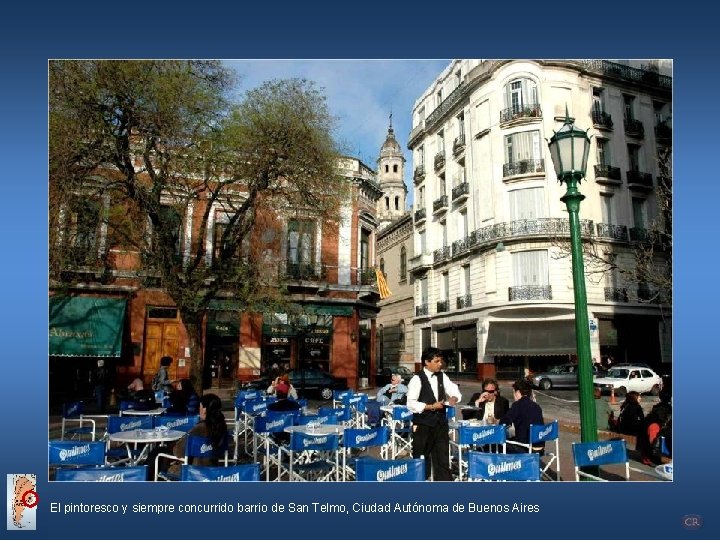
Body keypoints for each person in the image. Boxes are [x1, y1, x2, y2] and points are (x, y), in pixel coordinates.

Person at [406, 347, 461, 481]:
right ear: (426, 362)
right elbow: (410, 403)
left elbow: (454, 389)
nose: (440, 364)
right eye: (436, 361)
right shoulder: (417, 379)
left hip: (440, 423)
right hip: (423, 424)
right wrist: (431, 406)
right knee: (421, 459)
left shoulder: (442, 376)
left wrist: (454, 397)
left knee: (442, 458)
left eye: (440, 361)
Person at [149, 393, 228, 479]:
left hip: (193, 470)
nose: (199, 409)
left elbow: (178, 452)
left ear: (205, 409)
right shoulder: (221, 428)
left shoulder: (198, 429)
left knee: (157, 453)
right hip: (213, 469)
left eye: (200, 407)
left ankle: (147, 479)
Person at [500, 379, 545, 453]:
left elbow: (503, 423)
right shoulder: (536, 406)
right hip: (539, 446)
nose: (513, 395)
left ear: (517, 392)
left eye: (513, 392)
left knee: (498, 444)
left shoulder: (517, 405)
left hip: (525, 447)